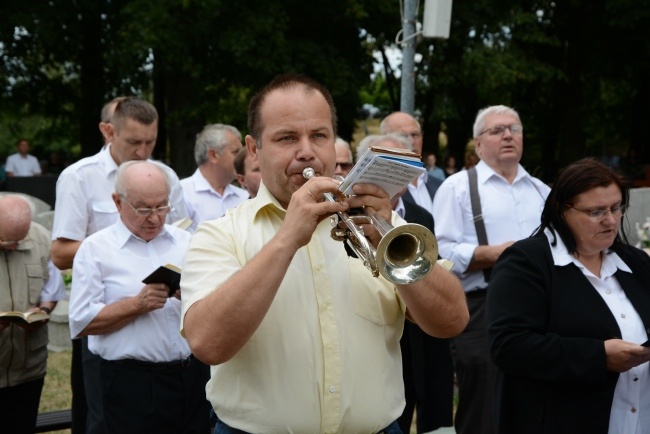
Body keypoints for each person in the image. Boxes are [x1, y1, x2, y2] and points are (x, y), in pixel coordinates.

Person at [180, 73, 468, 433]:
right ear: (254, 149)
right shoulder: (219, 234)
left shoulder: (380, 222)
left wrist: (387, 237)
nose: (306, 151)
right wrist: (286, 240)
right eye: (287, 138)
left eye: (319, 135)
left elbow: (452, 321)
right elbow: (207, 343)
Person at [50, 96, 188, 434]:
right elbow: (59, 252)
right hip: (110, 331)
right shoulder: (79, 177)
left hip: (174, 357)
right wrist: (120, 246)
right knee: (96, 414)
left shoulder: (163, 175)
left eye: (150, 142)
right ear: (108, 131)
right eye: (134, 142)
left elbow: (178, 231)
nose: (143, 151)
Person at [486, 158, 650, 434]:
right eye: (596, 211)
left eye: (616, 207)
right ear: (563, 211)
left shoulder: (635, 262)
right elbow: (509, 345)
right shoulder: (527, 262)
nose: (610, 220)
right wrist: (598, 357)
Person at [432, 105, 551, 434]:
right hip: (482, 309)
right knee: (483, 410)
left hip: (542, 310)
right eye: (497, 130)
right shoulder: (456, 188)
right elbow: (440, 252)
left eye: (515, 129)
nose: (508, 135)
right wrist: (492, 254)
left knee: (536, 402)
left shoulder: (544, 192)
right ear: (478, 143)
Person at [68, 161, 210, 433]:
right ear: (118, 202)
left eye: (162, 207)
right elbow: (81, 322)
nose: (155, 218)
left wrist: (192, 294)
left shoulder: (186, 241)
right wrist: (136, 305)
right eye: (144, 209)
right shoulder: (95, 249)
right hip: (131, 383)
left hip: (191, 375)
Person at [361, 134, 455, 434]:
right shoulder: (345, 213)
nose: (396, 173)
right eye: (388, 165)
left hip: (420, 331)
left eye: (404, 165)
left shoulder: (420, 216)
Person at [0, 195, 66, 434]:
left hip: (28, 368)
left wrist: (44, 311)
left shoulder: (40, 238)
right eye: (7, 242)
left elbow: (53, 288)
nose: (14, 248)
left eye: (20, 241)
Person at [180, 124, 248, 231]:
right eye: (236, 152)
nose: (242, 159)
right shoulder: (182, 194)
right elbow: (177, 240)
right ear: (213, 155)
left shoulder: (244, 197)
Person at [381, 112, 442, 214]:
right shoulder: (380, 189)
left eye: (415, 134)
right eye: (402, 136)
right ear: (384, 141)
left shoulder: (440, 186)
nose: (411, 141)